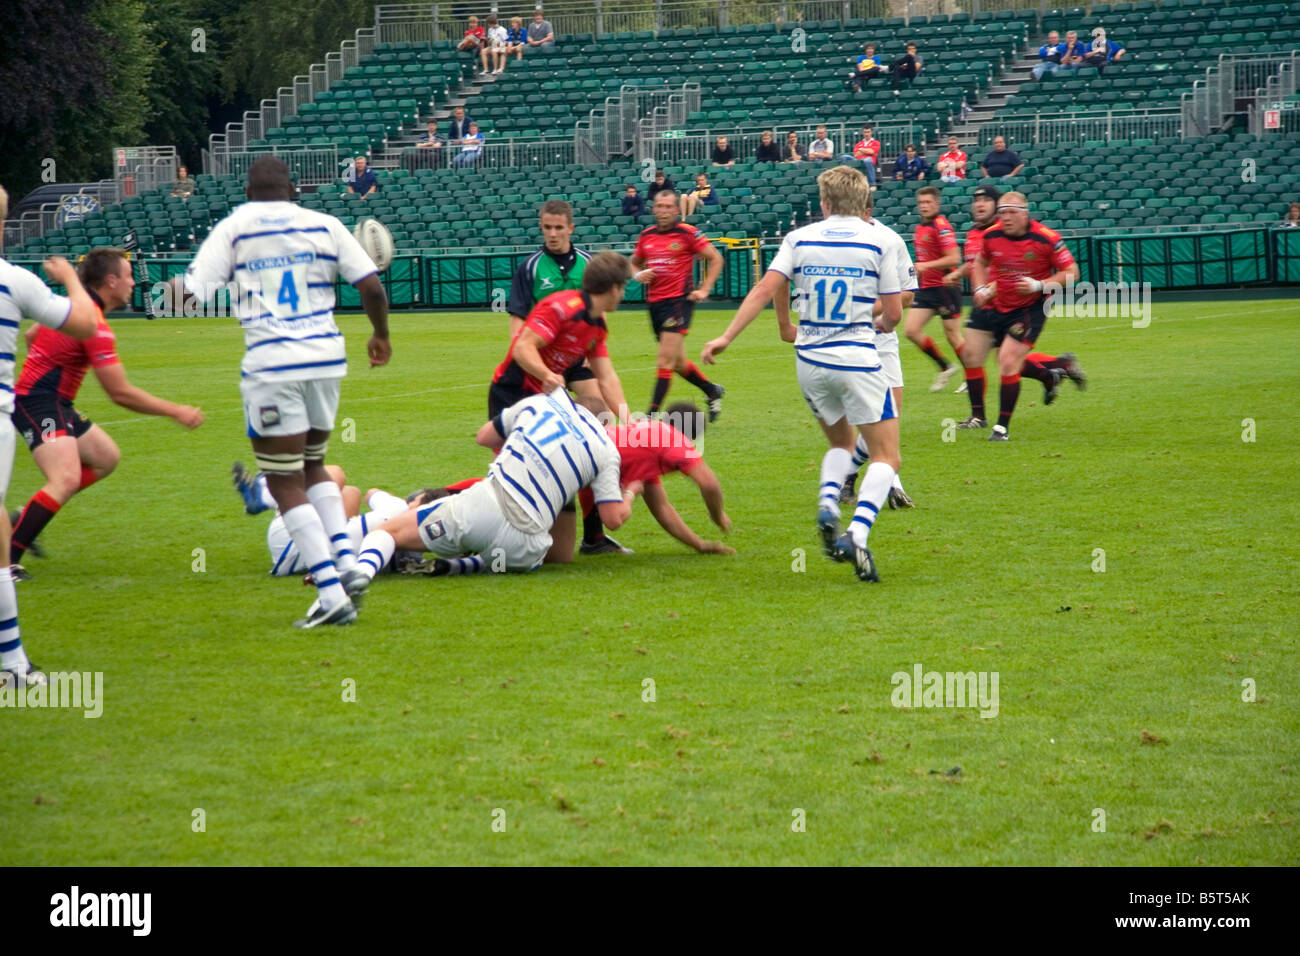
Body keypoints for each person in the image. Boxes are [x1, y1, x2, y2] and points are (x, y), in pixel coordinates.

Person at [180, 156, 391, 627]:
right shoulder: (325, 223)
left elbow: (195, 293)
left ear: (250, 191)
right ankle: (347, 562)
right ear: (292, 188)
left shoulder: (236, 226)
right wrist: (381, 335)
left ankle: (332, 593)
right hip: (326, 360)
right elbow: (372, 287)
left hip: (273, 364)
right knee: (314, 464)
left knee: (281, 480)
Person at [701, 165, 911, 582]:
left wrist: (725, 337)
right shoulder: (880, 241)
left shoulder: (798, 238)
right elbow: (894, 312)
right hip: (856, 357)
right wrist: (883, 326)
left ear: (825, 203)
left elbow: (764, 289)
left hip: (809, 360)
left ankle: (829, 503)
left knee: (840, 442)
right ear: (863, 201)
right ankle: (857, 532)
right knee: (887, 455)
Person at [8, 248, 204, 573]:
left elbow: (32, 334)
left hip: (55, 401)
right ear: (110, 281)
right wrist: (175, 411)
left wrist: (48, 363)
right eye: (127, 276)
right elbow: (120, 393)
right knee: (66, 478)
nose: (132, 283)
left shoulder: (73, 309)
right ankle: (8, 561)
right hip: (36, 401)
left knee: (105, 457)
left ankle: (27, 514)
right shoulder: (95, 325)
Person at [352, 390, 631, 582]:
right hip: (529, 546)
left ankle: (358, 576)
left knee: (389, 530)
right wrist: (633, 489)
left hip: (485, 507)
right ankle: (461, 565)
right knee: (498, 553)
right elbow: (612, 520)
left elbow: (484, 438)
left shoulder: (542, 403)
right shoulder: (607, 449)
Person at [0, 184, 100, 687]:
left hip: (46, 404)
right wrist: (70, 280)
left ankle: (23, 518)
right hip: (21, 406)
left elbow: (41, 333)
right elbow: (83, 323)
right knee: (56, 482)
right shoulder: (15, 280)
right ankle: (13, 660)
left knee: (104, 456)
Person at [946, 187, 1086, 423]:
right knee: (973, 355)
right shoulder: (977, 234)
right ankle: (978, 416)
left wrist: (1034, 285)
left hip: (1014, 304)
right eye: (976, 201)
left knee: (1007, 359)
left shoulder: (1040, 237)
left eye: (986, 201)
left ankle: (1056, 369)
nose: (980, 205)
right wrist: (973, 284)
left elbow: (1066, 272)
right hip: (988, 302)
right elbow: (977, 264)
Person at [578, 402, 734, 556]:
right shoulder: (672, 439)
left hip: (579, 455)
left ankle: (593, 541)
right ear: (691, 437)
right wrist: (718, 516)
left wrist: (699, 545)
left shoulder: (649, 445)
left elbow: (662, 508)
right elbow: (709, 483)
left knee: (560, 552)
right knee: (613, 518)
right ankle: (592, 540)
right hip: (580, 461)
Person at [631, 190, 725, 419]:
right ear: (653, 209)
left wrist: (704, 289)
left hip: (678, 302)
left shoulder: (687, 233)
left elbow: (716, 258)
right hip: (654, 304)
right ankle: (712, 391)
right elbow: (633, 264)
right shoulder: (647, 235)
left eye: (667, 207)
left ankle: (651, 416)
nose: (662, 211)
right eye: (659, 206)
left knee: (664, 360)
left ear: (676, 210)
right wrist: (638, 274)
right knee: (677, 362)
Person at [903, 186, 964, 392]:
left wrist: (926, 266)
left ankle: (972, 375)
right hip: (927, 288)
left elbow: (954, 258)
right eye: (921, 203)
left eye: (928, 202)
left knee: (952, 335)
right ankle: (945, 366)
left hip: (945, 287)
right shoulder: (920, 227)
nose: (924, 206)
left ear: (937, 204)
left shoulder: (942, 226)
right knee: (911, 330)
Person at [506, 199, 592, 341]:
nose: (552, 234)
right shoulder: (529, 267)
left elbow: (597, 312)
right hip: (542, 352)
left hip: (579, 352)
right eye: (547, 227)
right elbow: (517, 315)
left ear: (571, 228)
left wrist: (592, 350)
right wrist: (520, 351)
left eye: (558, 228)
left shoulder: (589, 264)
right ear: (541, 227)